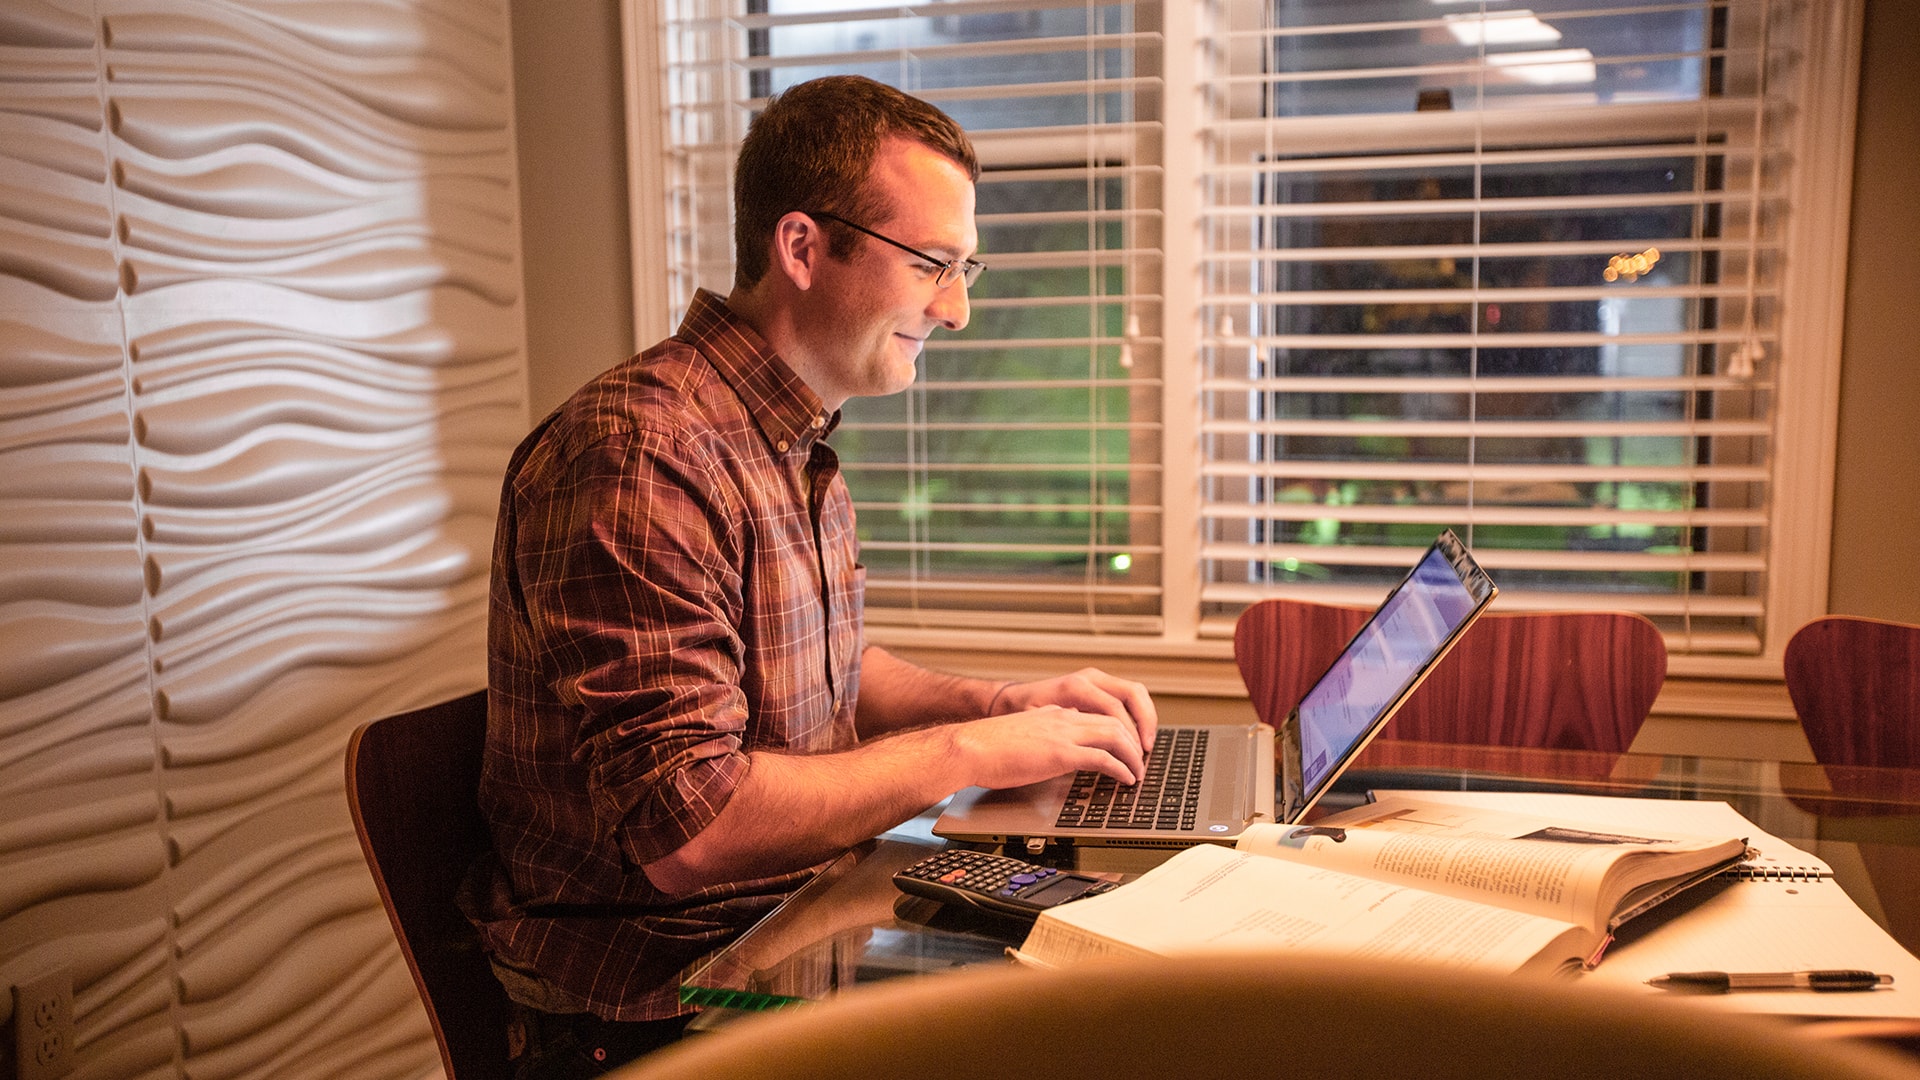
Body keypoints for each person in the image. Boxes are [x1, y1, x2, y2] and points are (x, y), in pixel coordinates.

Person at [462, 75, 1159, 1079]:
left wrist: (1003, 703)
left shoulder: (787, 440)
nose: (957, 311)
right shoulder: (638, 452)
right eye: (931, 264)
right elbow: (688, 829)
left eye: (966, 269)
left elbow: (819, 669)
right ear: (801, 247)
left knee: (1117, 977)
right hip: (663, 1011)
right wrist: (970, 748)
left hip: (800, 926)